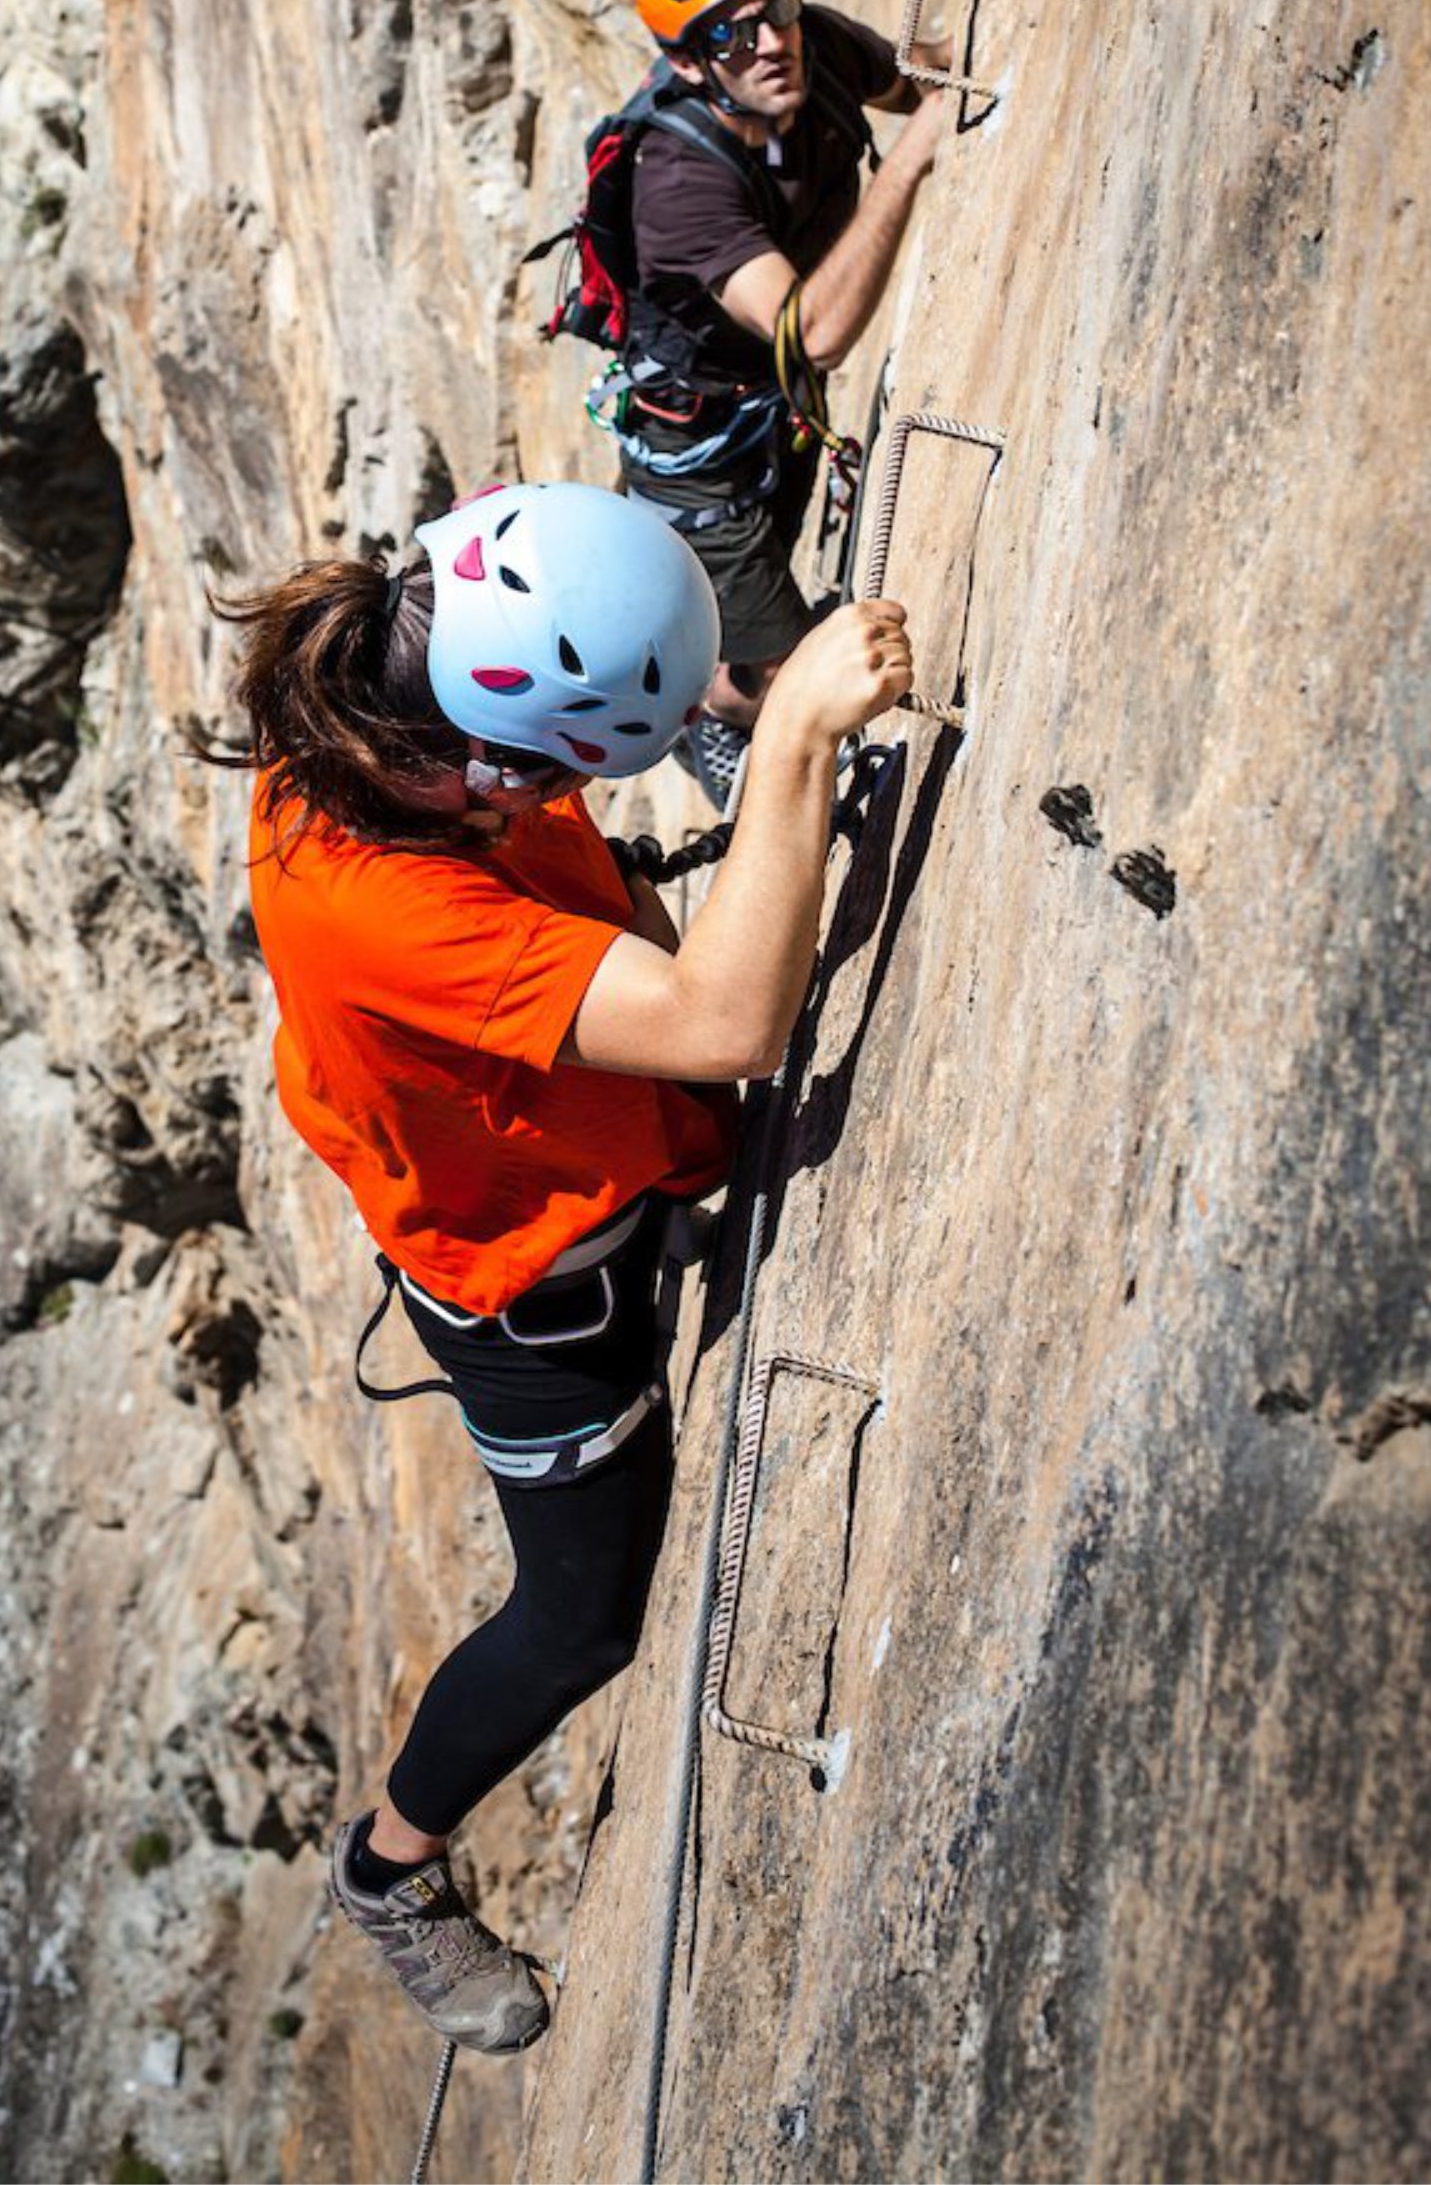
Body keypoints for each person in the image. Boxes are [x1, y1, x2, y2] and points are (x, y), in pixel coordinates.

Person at [207, 479, 915, 2053]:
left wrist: (725, 686)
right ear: (474, 758)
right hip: (535, 1296)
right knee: (580, 1620)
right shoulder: (381, 896)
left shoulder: (387, 672)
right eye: (535, 782)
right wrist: (793, 741)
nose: (546, 802)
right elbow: (729, 1023)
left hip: (596, 1146)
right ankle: (389, 1873)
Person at [619, 0, 951, 795]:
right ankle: (721, 713)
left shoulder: (817, 53)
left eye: (778, 7)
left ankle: (736, 679)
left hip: (779, 416)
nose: (770, 41)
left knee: (777, 602)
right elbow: (818, 333)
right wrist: (911, 161)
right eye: (732, 33)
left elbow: (931, 78)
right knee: (784, 670)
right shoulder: (678, 182)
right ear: (686, 60)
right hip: (698, 463)